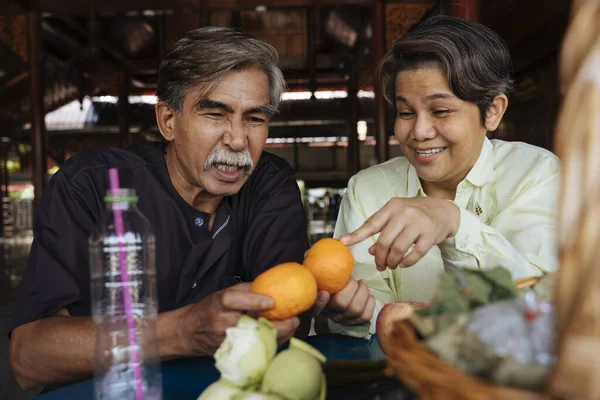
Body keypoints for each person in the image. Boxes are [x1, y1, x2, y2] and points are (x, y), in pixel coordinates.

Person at [8, 27, 373, 391]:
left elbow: (286, 308)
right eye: (215, 114)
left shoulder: (270, 184)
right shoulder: (92, 186)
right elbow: (30, 358)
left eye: (255, 118)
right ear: (168, 120)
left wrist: (326, 305)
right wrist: (181, 331)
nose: (237, 139)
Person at [330, 15, 560, 339]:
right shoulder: (367, 191)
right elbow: (361, 323)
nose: (419, 132)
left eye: (440, 111)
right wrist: (350, 313)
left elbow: (540, 310)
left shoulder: (536, 175)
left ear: (492, 111)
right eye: (406, 112)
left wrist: (454, 223)